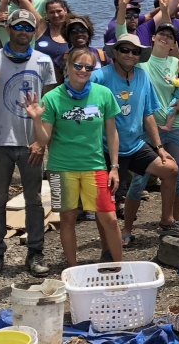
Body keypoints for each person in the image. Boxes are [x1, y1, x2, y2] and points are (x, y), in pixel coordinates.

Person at [0, 9, 60, 276]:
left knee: (34, 200)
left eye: (28, 28)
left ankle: (35, 253)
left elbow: (50, 106)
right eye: (17, 27)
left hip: (31, 143)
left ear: (33, 32)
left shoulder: (44, 61)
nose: (23, 32)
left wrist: (41, 142)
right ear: (8, 29)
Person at [24, 47, 124, 266]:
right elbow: (42, 141)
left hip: (95, 165)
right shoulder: (52, 98)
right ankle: (72, 268)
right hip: (61, 168)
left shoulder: (103, 94)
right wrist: (36, 120)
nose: (83, 70)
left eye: (89, 67)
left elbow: (112, 132)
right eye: (78, 65)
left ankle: (119, 268)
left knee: (110, 218)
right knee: (68, 220)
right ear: (68, 67)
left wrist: (114, 166)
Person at [90, 34, 179, 248]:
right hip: (107, 148)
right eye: (125, 50)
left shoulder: (142, 76)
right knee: (108, 200)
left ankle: (166, 221)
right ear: (115, 52)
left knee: (171, 169)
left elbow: (148, 114)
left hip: (136, 144)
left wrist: (159, 147)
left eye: (135, 51)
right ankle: (111, 244)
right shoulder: (99, 77)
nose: (130, 55)